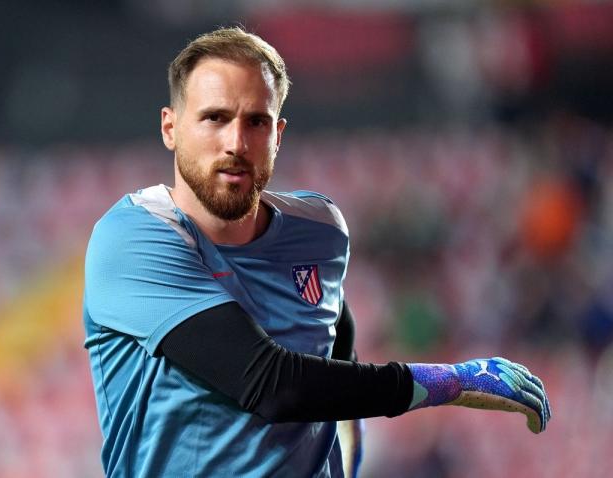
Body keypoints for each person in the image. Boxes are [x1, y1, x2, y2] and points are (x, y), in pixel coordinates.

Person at [82, 27, 551, 478]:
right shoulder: (133, 239)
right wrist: (453, 382)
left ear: (278, 135)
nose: (236, 143)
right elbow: (267, 384)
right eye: (215, 118)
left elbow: (335, 361)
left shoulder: (319, 231)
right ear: (170, 128)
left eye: (256, 121)